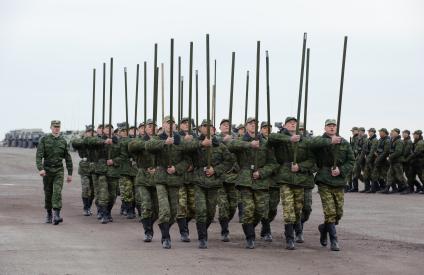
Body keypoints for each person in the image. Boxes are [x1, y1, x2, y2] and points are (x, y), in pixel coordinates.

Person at [228, 117, 277, 249]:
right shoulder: (240, 140)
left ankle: (249, 226)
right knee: (248, 209)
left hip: (260, 180)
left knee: (261, 211)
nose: (253, 126)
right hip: (245, 180)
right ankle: (250, 237)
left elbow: (273, 163)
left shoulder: (266, 143)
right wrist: (249, 144)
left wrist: (262, 172)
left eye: (255, 124)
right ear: (246, 126)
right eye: (250, 124)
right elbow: (230, 145)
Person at [184, 119, 234, 248]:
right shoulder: (195, 142)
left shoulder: (220, 146)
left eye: (210, 126)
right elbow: (185, 148)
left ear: (214, 130)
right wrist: (201, 144)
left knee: (211, 212)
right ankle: (202, 238)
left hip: (214, 183)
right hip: (199, 181)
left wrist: (215, 170)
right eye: (204, 126)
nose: (207, 128)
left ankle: (203, 230)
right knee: (201, 210)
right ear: (200, 129)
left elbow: (229, 161)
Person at [268, 117, 316, 250]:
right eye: (289, 123)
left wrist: (300, 166)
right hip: (285, 178)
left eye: (294, 123)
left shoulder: (304, 140)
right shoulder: (280, 138)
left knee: (297, 209)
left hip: (300, 179)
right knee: (288, 208)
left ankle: (296, 230)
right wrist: (289, 139)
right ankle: (289, 238)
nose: (292, 124)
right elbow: (271, 138)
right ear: (284, 125)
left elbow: (312, 160)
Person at [145, 116, 188, 249]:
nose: (170, 126)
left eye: (172, 123)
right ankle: (166, 237)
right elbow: (149, 146)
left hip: (174, 179)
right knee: (164, 209)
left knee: (174, 212)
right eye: (167, 123)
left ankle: (164, 228)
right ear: (163, 125)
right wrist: (164, 143)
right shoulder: (158, 138)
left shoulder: (179, 140)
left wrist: (177, 168)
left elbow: (187, 160)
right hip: (161, 179)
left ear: (175, 126)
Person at [312, 119, 354, 251]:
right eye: (329, 126)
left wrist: (341, 170)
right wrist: (330, 141)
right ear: (325, 128)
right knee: (330, 212)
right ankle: (334, 240)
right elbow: (312, 144)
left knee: (338, 213)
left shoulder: (344, 142)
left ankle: (324, 228)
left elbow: (351, 160)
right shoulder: (320, 140)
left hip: (339, 181)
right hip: (324, 179)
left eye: (333, 126)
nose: (331, 128)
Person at [35, 120, 73, 225]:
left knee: (57, 192)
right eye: (55, 126)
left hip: (58, 170)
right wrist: (40, 168)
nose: (56, 128)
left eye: (58, 127)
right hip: (47, 170)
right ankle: (49, 214)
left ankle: (57, 214)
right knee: (48, 193)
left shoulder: (63, 141)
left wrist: (70, 173)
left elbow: (68, 158)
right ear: (51, 127)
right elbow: (39, 156)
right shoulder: (44, 139)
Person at [128, 119, 158, 242]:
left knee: (157, 209)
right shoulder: (139, 141)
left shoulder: (160, 140)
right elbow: (131, 147)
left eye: (154, 126)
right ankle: (148, 231)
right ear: (145, 128)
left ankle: (150, 224)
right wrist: (148, 143)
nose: (152, 128)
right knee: (146, 205)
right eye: (149, 126)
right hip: (143, 177)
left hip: (158, 177)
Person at [84, 124, 120, 224]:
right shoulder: (97, 139)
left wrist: (114, 161)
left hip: (113, 171)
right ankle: (103, 213)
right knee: (102, 193)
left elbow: (123, 156)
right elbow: (88, 141)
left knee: (113, 195)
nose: (109, 130)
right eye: (106, 128)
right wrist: (104, 141)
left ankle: (108, 212)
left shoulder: (117, 141)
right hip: (101, 171)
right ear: (103, 130)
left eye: (110, 128)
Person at [215, 118, 239, 242]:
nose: (226, 126)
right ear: (220, 128)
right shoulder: (216, 138)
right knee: (223, 205)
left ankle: (225, 221)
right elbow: (212, 142)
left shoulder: (236, 138)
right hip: (220, 177)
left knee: (233, 205)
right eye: (223, 125)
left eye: (228, 125)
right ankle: (225, 230)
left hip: (233, 178)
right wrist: (223, 140)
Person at [176, 117, 197, 242]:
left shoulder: (196, 137)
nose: (186, 125)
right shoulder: (176, 137)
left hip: (193, 177)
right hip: (180, 177)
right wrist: (184, 140)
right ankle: (184, 231)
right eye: (184, 123)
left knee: (193, 208)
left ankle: (183, 222)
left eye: (188, 123)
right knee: (182, 205)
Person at [259, 121, 280, 242]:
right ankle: (267, 230)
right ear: (261, 129)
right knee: (264, 207)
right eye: (265, 128)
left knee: (273, 207)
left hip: (275, 178)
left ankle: (265, 224)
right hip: (262, 178)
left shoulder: (275, 141)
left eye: (269, 128)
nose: (267, 129)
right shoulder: (257, 141)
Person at [71, 125, 96, 216]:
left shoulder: (95, 141)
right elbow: (74, 143)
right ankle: (86, 207)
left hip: (95, 167)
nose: (90, 133)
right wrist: (86, 140)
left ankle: (89, 206)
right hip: (85, 167)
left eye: (92, 132)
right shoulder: (81, 141)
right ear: (85, 133)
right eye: (89, 132)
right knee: (86, 188)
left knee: (93, 190)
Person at [383, 128, 407, 194]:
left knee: (400, 175)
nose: (392, 133)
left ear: (397, 133)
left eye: (393, 132)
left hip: (397, 161)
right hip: (393, 161)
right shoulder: (393, 140)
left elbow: (398, 152)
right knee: (389, 175)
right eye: (391, 132)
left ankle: (406, 188)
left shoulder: (399, 141)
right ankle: (387, 188)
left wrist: (390, 157)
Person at [371, 128, 391, 193]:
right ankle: (378, 187)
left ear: (384, 132)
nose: (379, 133)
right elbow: (378, 148)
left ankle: (386, 188)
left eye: (380, 132)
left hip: (384, 160)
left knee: (384, 174)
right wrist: (376, 153)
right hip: (379, 159)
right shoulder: (380, 139)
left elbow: (386, 151)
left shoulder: (387, 140)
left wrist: (378, 158)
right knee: (376, 174)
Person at [360, 128, 378, 193]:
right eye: (369, 131)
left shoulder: (375, 140)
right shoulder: (368, 140)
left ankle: (373, 188)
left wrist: (369, 158)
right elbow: (364, 149)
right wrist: (362, 158)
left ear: (373, 132)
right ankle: (367, 188)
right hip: (367, 158)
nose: (369, 133)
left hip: (372, 159)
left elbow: (372, 150)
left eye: (370, 132)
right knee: (366, 174)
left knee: (373, 174)